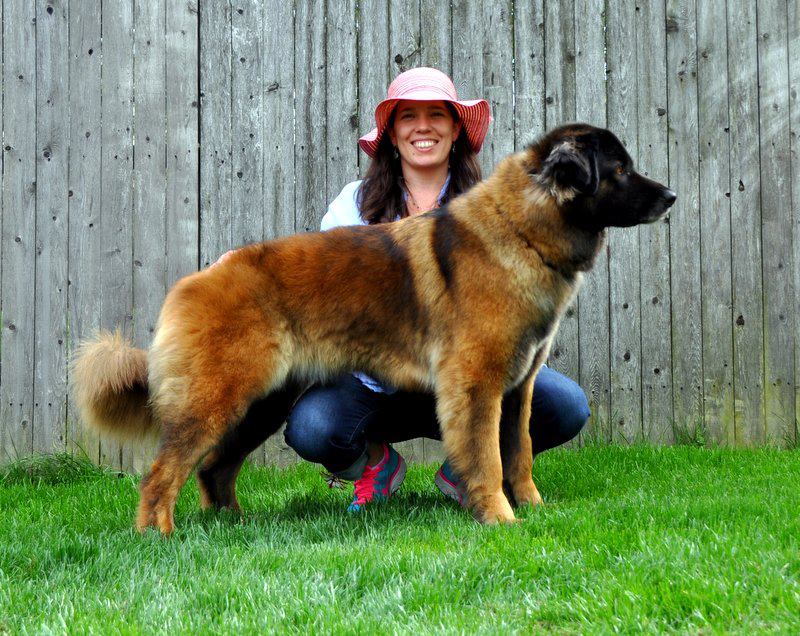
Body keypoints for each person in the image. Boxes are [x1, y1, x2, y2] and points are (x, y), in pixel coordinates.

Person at [279, 67, 591, 512]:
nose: (422, 127)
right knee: (313, 427)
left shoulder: (491, 206)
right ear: (391, 134)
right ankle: (377, 465)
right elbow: (313, 273)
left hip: (468, 381)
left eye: (436, 115)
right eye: (408, 116)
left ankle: (466, 472)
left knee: (566, 405)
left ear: (456, 128)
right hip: (377, 385)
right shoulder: (354, 202)